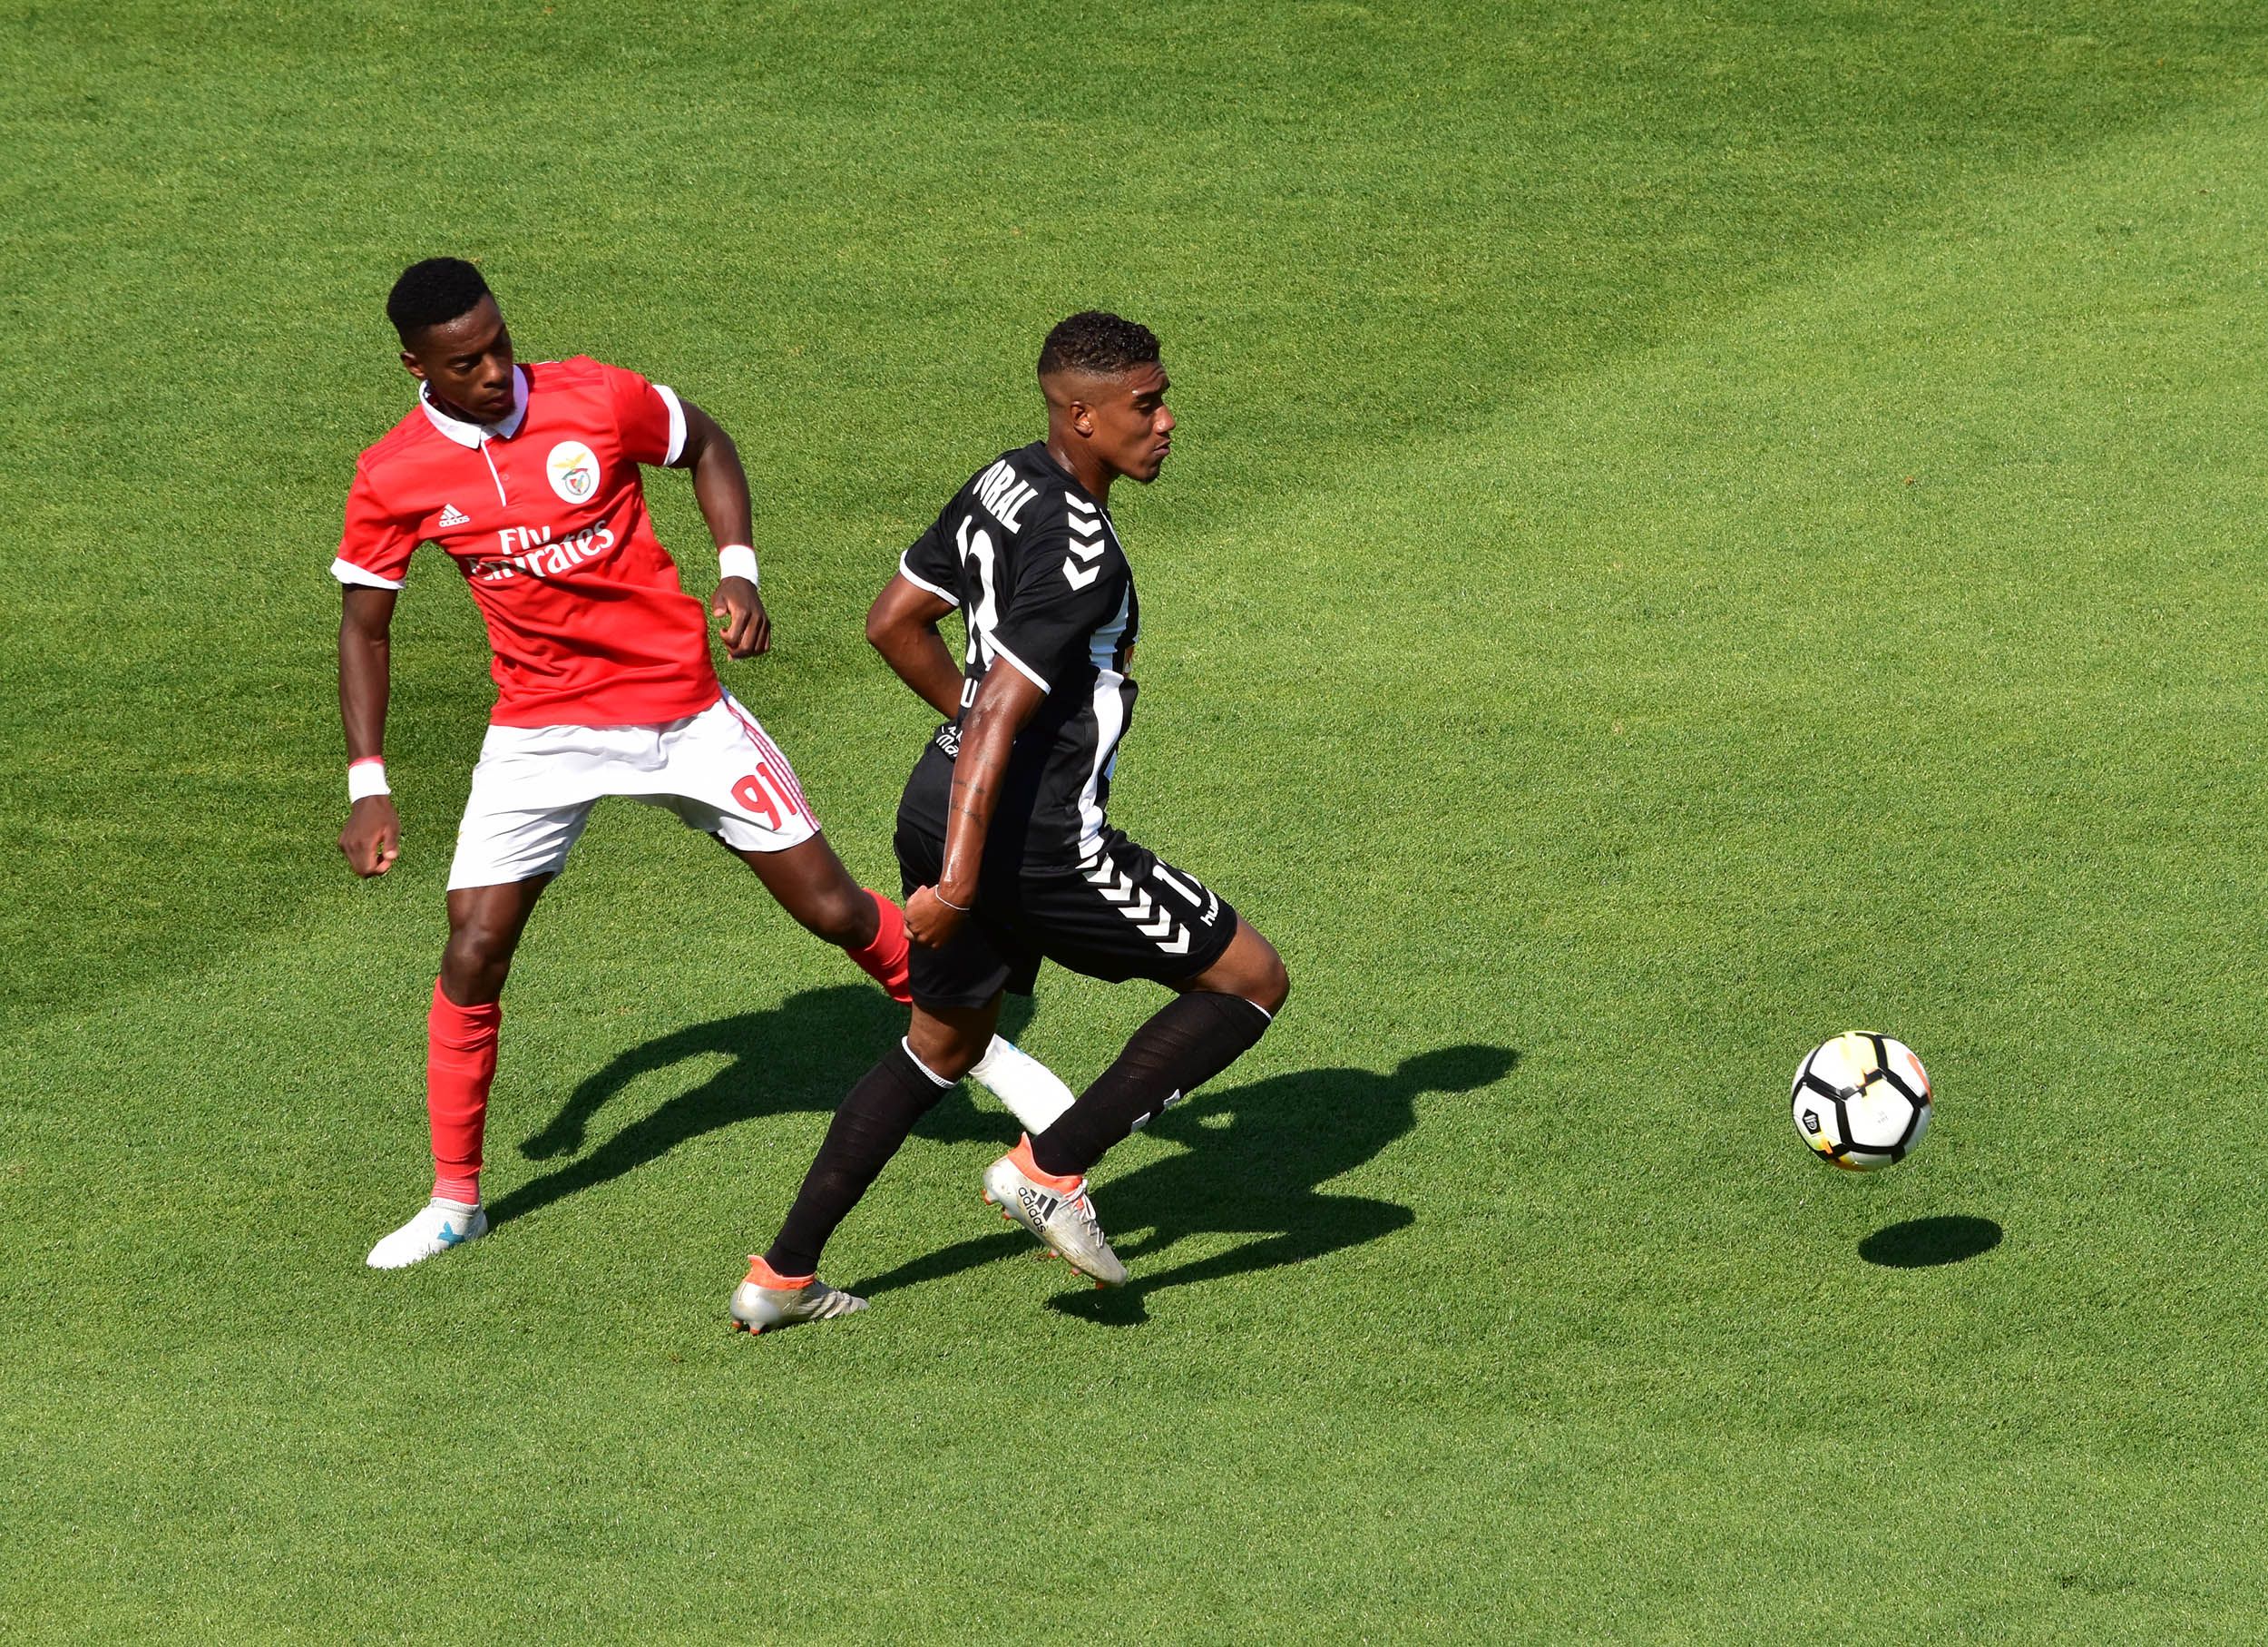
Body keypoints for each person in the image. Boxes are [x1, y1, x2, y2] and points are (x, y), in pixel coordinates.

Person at [335, 259, 1071, 1270]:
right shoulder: (393, 474)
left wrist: (738, 570)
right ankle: (456, 1199)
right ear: (416, 366)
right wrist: (368, 782)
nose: (496, 371)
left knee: (834, 909)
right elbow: (365, 627)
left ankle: (982, 1047)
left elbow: (707, 442)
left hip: (681, 711)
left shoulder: (596, 396)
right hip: (541, 731)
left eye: (500, 344)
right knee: (475, 945)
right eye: (466, 363)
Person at [729, 310, 1289, 1333]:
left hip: (934, 798)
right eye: (1146, 404)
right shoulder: (1085, 553)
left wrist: (973, 754)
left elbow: (893, 621)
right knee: (1249, 980)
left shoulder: (1006, 479)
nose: (1167, 421)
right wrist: (959, 877)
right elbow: (995, 710)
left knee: (939, 1046)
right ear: (1082, 415)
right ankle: (1050, 1170)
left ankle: (781, 1276)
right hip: (1035, 843)